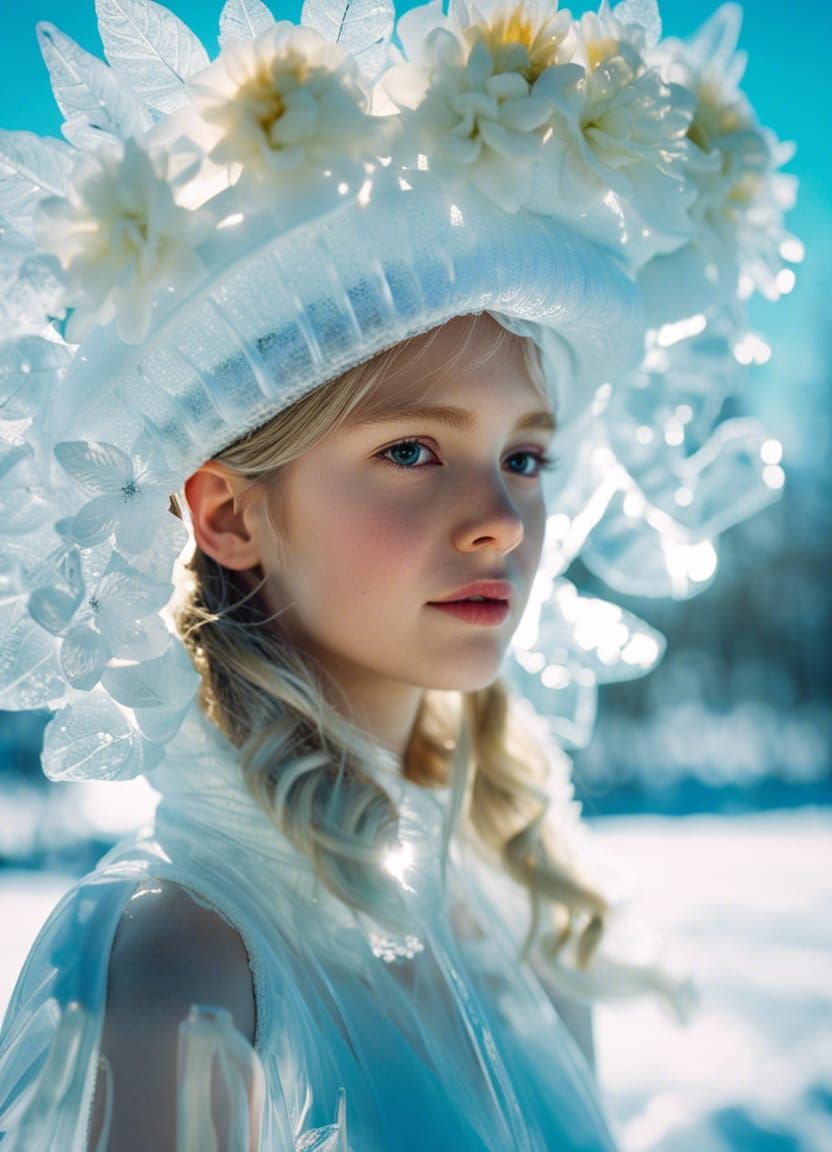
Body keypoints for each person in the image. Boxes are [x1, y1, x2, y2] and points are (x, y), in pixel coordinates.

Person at [0, 0, 796, 1149]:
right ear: (225, 511)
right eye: (411, 452)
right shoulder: (176, 959)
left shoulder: (506, 915)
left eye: (523, 456)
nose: (500, 523)